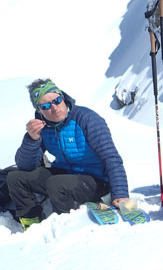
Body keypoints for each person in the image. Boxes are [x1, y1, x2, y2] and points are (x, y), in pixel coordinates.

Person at [8, 78, 130, 230]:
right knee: (16, 178)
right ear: (39, 110)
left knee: (57, 184)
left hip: (97, 180)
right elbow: (26, 166)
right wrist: (32, 140)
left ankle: (67, 226)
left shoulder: (86, 118)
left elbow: (111, 158)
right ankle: (32, 224)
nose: (54, 108)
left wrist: (120, 192)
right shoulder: (42, 127)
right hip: (65, 175)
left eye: (57, 100)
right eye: (46, 106)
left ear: (63, 97)